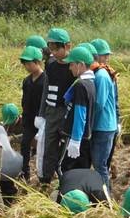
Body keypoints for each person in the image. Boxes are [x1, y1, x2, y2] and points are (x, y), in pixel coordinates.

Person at [36, 28, 74, 186]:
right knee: (49, 146)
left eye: (56, 48)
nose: (53, 52)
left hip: (66, 112)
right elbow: (46, 89)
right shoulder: (50, 65)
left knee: (66, 148)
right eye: (50, 48)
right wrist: (41, 113)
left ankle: (65, 179)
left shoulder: (73, 66)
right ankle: (46, 178)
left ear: (67, 46)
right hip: (51, 112)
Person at [60, 46, 97, 173]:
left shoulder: (81, 85)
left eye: (71, 64)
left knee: (66, 169)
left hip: (77, 137)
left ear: (80, 65)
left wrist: (75, 140)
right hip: (86, 136)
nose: (69, 68)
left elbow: (80, 113)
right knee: (82, 170)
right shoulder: (90, 82)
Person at [91, 44, 119, 188]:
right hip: (105, 124)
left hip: (103, 126)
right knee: (100, 164)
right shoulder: (102, 73)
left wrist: (86, 121)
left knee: (99, 164)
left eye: (107, 55)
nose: (107, 58)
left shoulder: (101, 75)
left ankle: (105, 197)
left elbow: (99, 104)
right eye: (105, 55)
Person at [19, 45, 45, 180]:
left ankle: (44, 174)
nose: (27, 67)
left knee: (42, 147)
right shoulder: (27, 81)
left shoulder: (46, 80)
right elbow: (24, 100)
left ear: (37, 62)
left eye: (29, 63)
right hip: (28, 119)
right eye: (25, 64)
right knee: (24, 145)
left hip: (41, 120)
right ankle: (25, 172)